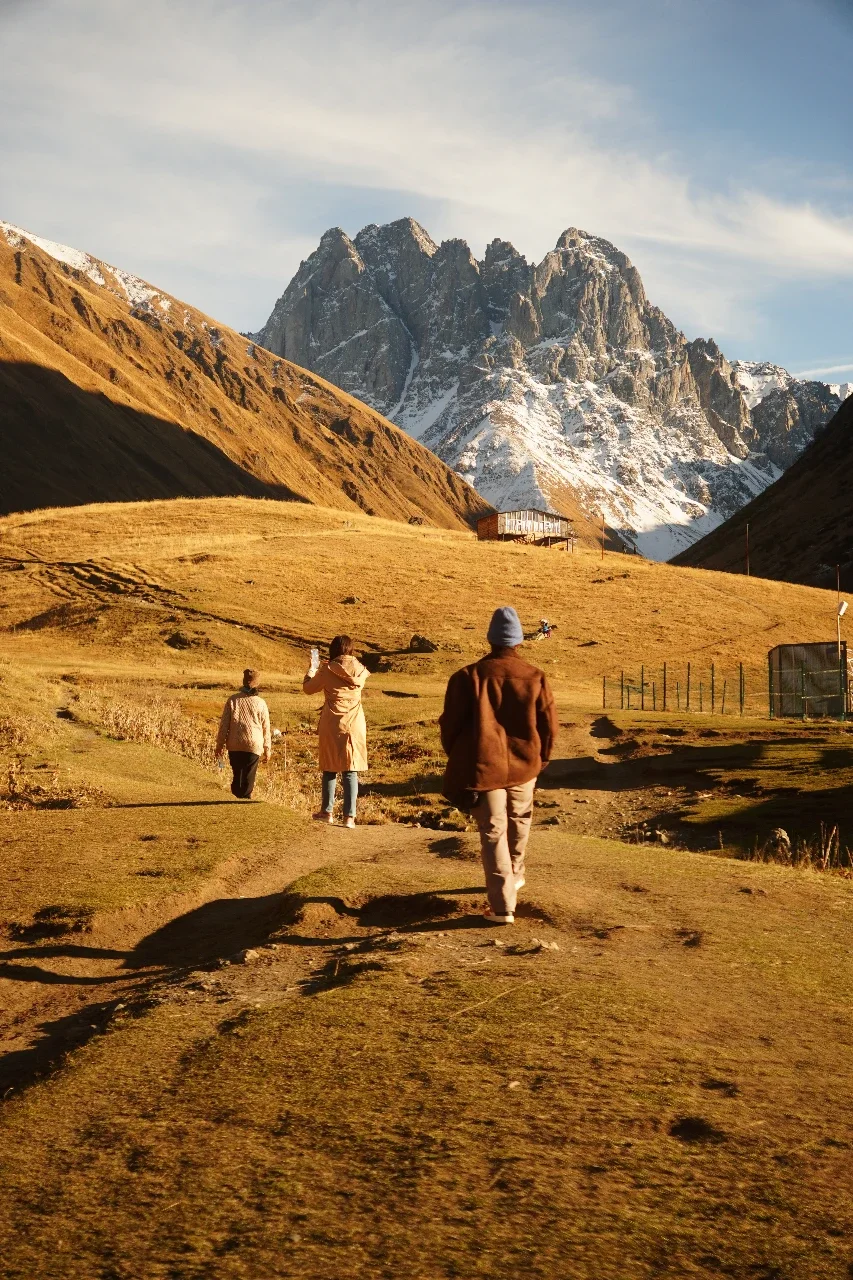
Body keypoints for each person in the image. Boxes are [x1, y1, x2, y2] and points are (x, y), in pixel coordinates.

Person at [439, 606, 558, 924]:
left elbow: (449, 725)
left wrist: (460, 755)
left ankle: (503, 905)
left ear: (491, 639)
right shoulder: (535, 677)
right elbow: (549, 727)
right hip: (525, 764)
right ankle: (515, 875)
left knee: (493, 829)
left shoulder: (468, 677)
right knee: (520, 819)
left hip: (483, 765)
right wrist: (540, 758)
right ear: (519, 640)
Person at [302, 635, 369, 828]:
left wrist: (313, 669)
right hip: (355, 722)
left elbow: (308, 688)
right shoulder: (360, 670)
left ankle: (327, 812)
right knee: (351, 768)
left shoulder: (327, 670)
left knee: (330, 767)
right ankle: (350, 817)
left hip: (332, 721)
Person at [215, 669, 271, 799]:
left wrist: (219, 745)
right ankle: (244, 800)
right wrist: (267, 749)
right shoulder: (261, 703)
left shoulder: (233, 700)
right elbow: (266, 728)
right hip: (253, 744)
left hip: (234, 744)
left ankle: (236, 798)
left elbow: (224, 725)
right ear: (257, 683)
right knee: (248, 777)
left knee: (237, 775)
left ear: (243, 681)